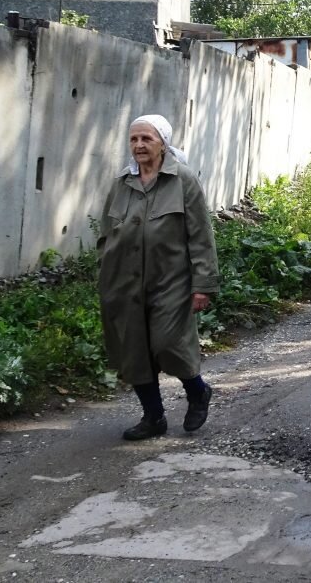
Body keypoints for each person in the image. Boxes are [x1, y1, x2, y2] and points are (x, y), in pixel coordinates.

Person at [97, 114, 220, 440]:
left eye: (146, 139)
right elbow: (106, 232)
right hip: (124, 283)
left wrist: (203, 284)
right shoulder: (123, 182)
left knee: (169, 344)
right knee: (133, 351)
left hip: (171, 281)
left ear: (162, 144)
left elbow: (201, 237)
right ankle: (153, 417)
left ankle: (198, 393)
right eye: (134, 139)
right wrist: (105, 270)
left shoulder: (183, 180)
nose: (138, 145)